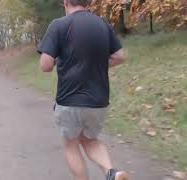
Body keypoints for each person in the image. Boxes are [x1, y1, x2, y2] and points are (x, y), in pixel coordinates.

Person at [37, 0, 129, 180]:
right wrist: (95, 65)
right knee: (90, 140)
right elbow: (119, 57)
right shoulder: (102, 23)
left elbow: (45, 65)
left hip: (69, 100)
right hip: (99, 101)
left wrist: (63, 61)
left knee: (71, 145)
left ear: (65, 2)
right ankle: (112, 173)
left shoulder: (58, 25)